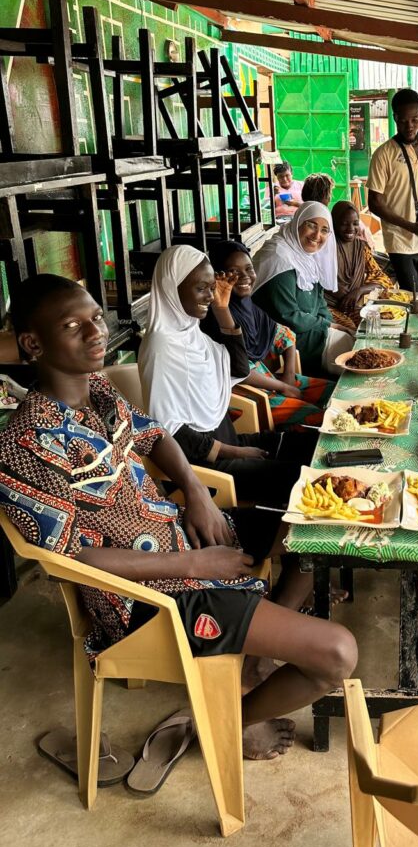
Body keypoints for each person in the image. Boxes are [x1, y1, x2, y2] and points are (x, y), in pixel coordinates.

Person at [0, 274, 357, 759]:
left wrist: (196, 493)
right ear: (32, 344)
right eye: (72, 325)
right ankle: (227, 720)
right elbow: (71, 557)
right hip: (143, 598)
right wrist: (194, 565)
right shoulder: (22, 444)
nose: (96, 331)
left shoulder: (98, 391)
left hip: (177, 535)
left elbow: (155, 436)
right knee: (337, 654)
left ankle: (254, 660)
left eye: (95, 318)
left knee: (317, 524)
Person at [139, 246, 314, 507]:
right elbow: (168, 429)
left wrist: (222, 309)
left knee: (312, 446)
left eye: (212, 288)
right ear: (171, 288)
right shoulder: (162, 346)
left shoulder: (191, 333)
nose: (210, 296)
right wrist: (234, 452)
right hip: (204, 464)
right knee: (303, 480)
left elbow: (238, 368)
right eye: (201, 288)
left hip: (227, 442)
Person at [202, 239, 335, 428]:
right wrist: (284, 387)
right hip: (246, 393)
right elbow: (239, 370)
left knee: (334, 392)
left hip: (269, 380)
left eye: (249, 268)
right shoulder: (214, 317)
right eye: (233, 272)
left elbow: (286, 335)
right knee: (318, 417)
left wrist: (289, 375)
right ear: (219, 276)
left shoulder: (249, 308)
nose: (245, 277)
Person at [251, 202, 354, 376]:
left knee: (354, 342)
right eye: (311, 225)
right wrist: (327, 325)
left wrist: (328, 324)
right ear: (298, 223)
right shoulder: (279, 258)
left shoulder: (304, 256)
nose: (317, 235)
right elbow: (288, 316)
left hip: (308, 329)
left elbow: (320, 302)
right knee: (351, 356)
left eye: (324, 230)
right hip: (284, 338)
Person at [366, 88, 418, 291]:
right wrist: (410, 227)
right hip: (398, 239)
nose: (410, 126)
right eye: (403, 121)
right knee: (413, 293)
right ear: (395, 118)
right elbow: (374, 203)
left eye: (415, 120)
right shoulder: (383, 154)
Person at [323, 201, 394, 331]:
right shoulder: (324, 248)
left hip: (353, 305)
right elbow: (315, 281)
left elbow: (381, 277)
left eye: (355, 223)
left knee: (378, 324)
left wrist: (358, 291)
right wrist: (338, 292)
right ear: (334, 223)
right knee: (352, 329)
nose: (351, 229)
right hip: (328, 306)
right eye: (344, 224)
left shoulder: (361, 248)